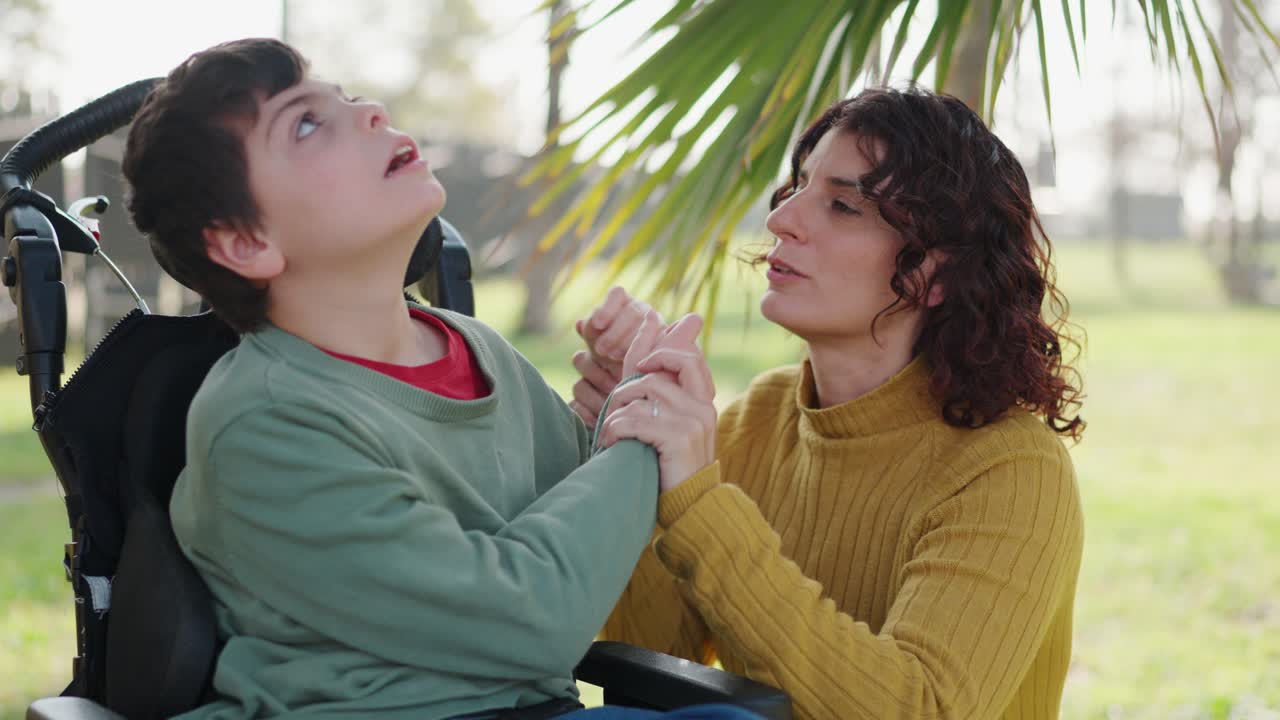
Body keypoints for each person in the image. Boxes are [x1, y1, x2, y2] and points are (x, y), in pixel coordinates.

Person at [122, 38, 757, 720]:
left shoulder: (475, 350)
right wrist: (644, 423)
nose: (369, 113)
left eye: (348, 97)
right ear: (246, 243)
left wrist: (611, 411)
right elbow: (532, 616)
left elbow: (587, 529)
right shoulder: (262, 419)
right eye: (306, 123)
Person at [572, 86, 1087, 719]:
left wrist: (701, 501)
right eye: (797, 188)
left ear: (937, 275)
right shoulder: (755, 422)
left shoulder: (1009, 470)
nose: (781, 219)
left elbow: (918, 709)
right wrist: (631, 461)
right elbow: (647, 656)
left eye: (843, 205)